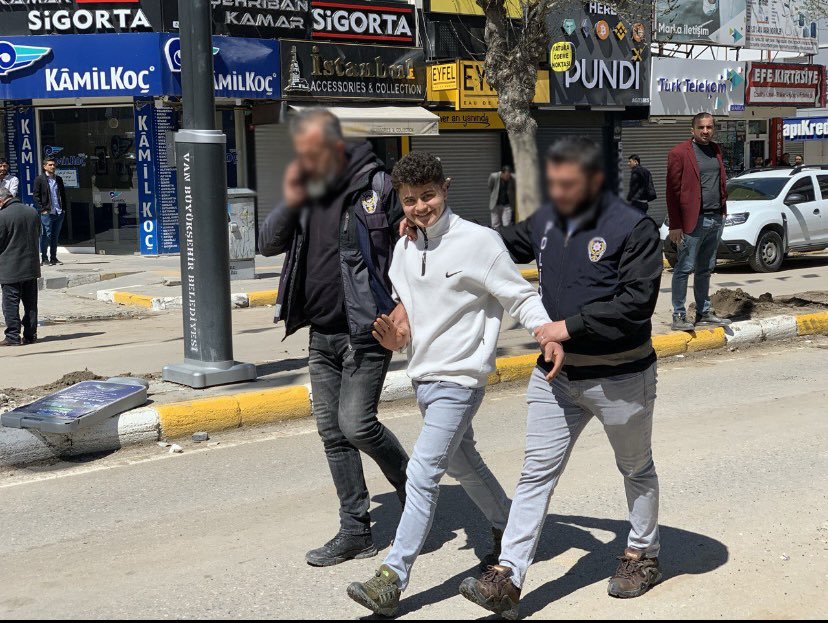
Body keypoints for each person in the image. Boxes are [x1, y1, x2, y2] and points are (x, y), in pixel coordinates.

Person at [346, 151, 564, 617]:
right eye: (410, 200)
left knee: (422, 473)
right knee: (464, 464)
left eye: (428, 196)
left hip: (461, 378)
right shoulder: (405, 249)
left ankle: (392, 577)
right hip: (423, 376)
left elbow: (519, 294)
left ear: (445, 188)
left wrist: (546, 334)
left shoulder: (478, 242)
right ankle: (508, 528)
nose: (420, 206)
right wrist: (395, 335)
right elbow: (408, 317)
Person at [458, 137, 664, 619]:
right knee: (535, 474)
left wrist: (566, 326)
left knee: (635, 468)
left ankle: (643, 554)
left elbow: (635, 304)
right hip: (556, 375)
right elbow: (498, 245)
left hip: (621, 377)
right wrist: (438, 224)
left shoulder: (634, 228)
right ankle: (508, 575)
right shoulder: (549, 219)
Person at [257, 108, 409, 568]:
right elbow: (266, 242)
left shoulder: (379, 188)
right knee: (332, 433)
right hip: (321, 334)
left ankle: (415, 491)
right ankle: (356, 530)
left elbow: (420, 252)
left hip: (366, 332)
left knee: (357, 425)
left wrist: (405, 312)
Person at [665, 112, 731, 332]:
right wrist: (675, 225)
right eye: (701, 127)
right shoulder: (679, 153)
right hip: (693, 221)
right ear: (692, 130)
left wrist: (722, 211)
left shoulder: (716, 150)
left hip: (715, 218)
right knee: (684, 267)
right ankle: (679, 314)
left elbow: (720, 182)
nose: (706, 131)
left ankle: (704, 312)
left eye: (709, 127)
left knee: (706, 268)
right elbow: (672, 192)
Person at [0, 188, 41, 346]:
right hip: (31, 267)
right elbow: (38, 234)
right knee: (30, 303)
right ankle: (30, 335)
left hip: (10, 268)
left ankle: (12, 336)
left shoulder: (3, 216)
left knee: (10, 303)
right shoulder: (32, 212)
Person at [32, 157, 67, 266]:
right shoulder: (39, 179)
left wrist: (64, 209)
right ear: (44, 166)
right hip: (47, 212)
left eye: (54, 165)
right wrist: (42, 209)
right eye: (50, 165)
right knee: (46, 235)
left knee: (55, 236)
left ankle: (53, 257)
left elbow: (63, 195)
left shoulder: (58, 179)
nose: (53, 166)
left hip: (59, 212)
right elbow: (36, 196)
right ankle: (44, 258)